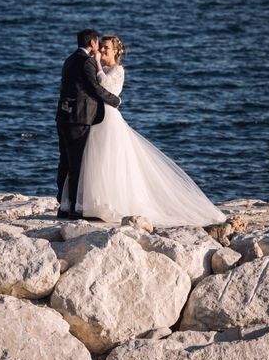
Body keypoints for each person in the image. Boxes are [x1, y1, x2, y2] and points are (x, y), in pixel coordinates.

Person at [61, 34, 226, 227]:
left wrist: (97, 64)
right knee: (94, 161)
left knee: (109, 161)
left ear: (115, 51)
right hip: (95, 119)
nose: (102, 50)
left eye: (106, 48)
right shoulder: (97, 67)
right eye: (102, 47)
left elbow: (105, 86)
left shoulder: (117, 70)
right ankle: (91, 204)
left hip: (109, 119)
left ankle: (107, 204)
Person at [56, 29, 121, 219]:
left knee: (65, 162)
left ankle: (64, 205)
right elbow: (96, 88)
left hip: (63, 116)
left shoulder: (69, 59)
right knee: (77, 164)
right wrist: (116, 101)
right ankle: (75, 209)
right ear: (92, 43)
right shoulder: (87, 62)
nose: (99, 47)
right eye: (98, 44)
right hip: (80, 118)